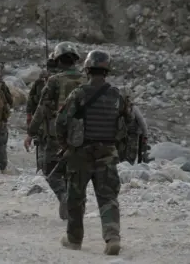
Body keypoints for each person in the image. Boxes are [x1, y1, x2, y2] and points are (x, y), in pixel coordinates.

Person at [55, 49, 132, 255]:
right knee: (108, 197)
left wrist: (66, 146)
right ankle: (112, 237)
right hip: (107, 152)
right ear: (107, 70)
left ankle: (74, 239)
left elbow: (61, 122)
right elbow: (128, 123)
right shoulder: (118, 95)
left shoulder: (79, 93)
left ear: (87, 69)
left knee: (76, 198)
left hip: (80, 153)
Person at [25, 42, 87, 220]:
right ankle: (75, 204)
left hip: (56, 133)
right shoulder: (86, 80)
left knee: (50, 171)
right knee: (73, 170)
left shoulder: (53, 81)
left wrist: (30, 132)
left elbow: (41, 109)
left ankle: (65, 197)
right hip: (82, 134)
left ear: (58, 61)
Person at [119, 87, 148, 164]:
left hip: (120, 136)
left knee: (121, 158)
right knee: (130, 158)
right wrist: (145, 136)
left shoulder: (118, 108)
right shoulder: (133, 108)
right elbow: (143, 124)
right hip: (132, 136)